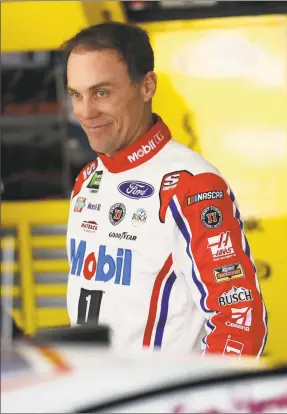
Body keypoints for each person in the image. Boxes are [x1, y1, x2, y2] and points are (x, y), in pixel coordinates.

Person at [63, 21, 268, 356]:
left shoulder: (192, 185)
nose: (86, 112)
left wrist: (196, 404)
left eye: (102, 92)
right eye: (76, 94)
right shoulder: (88, 180)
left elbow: (239, 319)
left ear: (147, 86)